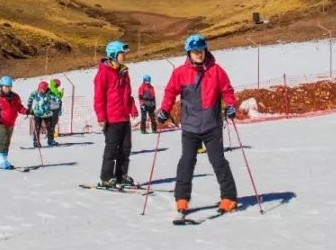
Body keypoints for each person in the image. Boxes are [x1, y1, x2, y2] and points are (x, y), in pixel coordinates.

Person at [157, 34, 240, 215]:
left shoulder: (216, 71)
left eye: (201, 50)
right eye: (195, 51)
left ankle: (229, 197)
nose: (199, 54)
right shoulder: (180, 72)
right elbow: (170, 92)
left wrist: (231, 106)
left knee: (218, 161)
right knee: (186, 162)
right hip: (190, 126)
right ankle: (182, 198)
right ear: (189, 53)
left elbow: (227, 90)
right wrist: (164, 110)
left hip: (211, 125)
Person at [93, 40, 138, 187]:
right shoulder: (103, 74)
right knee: (112, 148)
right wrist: (101, 117)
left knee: (126, 148)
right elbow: (99, 97)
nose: (124, 56)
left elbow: (128, 94)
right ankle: (106, 177)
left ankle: (121, 175)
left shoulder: (124, 72)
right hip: (111, 119)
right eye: (121, 53)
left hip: (124, 117)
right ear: (113, 55)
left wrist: (132, 107)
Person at [0, 75, 28, 169]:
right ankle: (1, 161)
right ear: (1, 86)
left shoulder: (15, 97)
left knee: (7, 141)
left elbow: (19, 107)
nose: (7, 88)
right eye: (5, 86)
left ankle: (4, 159)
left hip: (11, 122)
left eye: (9, 86)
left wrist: (26, 111)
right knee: (4, 139)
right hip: (1, 121)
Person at [28, 81, 58, 147]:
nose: (40, 91)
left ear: (46, 89)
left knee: (50, 127)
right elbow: (30, 99)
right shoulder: (35, 93)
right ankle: (36, 142)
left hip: (47, 114)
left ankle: (51, 140)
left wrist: (55, 109)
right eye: (39, 89)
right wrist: (29, 108)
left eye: (42, 89)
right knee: (37, 128)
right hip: (37, 113)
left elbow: (56, 101)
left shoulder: (50, 94)